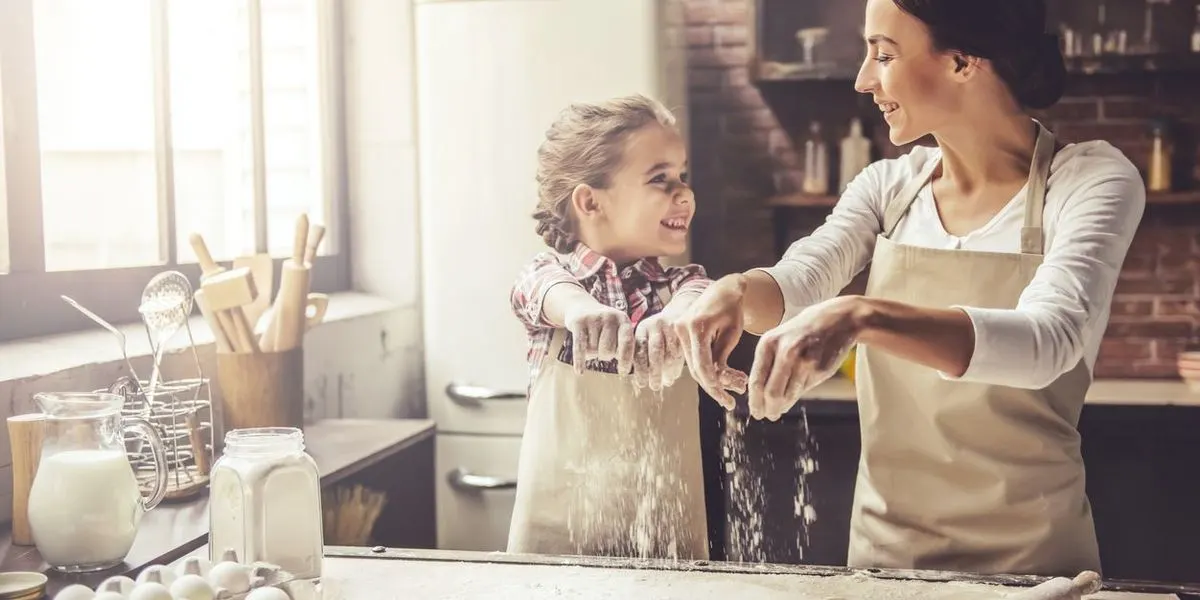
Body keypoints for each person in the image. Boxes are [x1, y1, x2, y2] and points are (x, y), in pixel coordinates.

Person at [676, 0, 1145, 578]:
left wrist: (862, 317)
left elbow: (1049, 341)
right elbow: (801, 278)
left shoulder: (1088, 181)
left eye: (884, 54)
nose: (863, 78)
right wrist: (735, 290)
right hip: (887, 555)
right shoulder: (889, 187)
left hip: (1034, 558)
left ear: (963, 61)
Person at [505, 94, 745, 560]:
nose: (684, 194)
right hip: (558, 548)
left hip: (665, 543)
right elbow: (540, 289)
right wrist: (579, 309)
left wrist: (677, 318)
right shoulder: (552, 279)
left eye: (683, 176)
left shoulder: (683, 286)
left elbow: (700, 297)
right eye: (661, 179)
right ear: (590, 201)